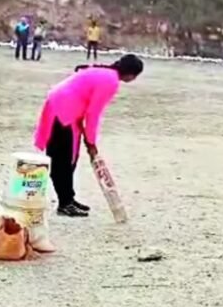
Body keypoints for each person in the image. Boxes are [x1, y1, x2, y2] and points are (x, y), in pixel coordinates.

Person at [33, 54, 144, 217]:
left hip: (65, 108)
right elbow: (93, 114)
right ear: (131, 74)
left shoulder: (106, 73)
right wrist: (91, 143)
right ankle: (65, 204)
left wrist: (88, 140)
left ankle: (68, 199)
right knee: (62, 161)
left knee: (71, 158)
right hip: (63, 110)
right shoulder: (110, 81)